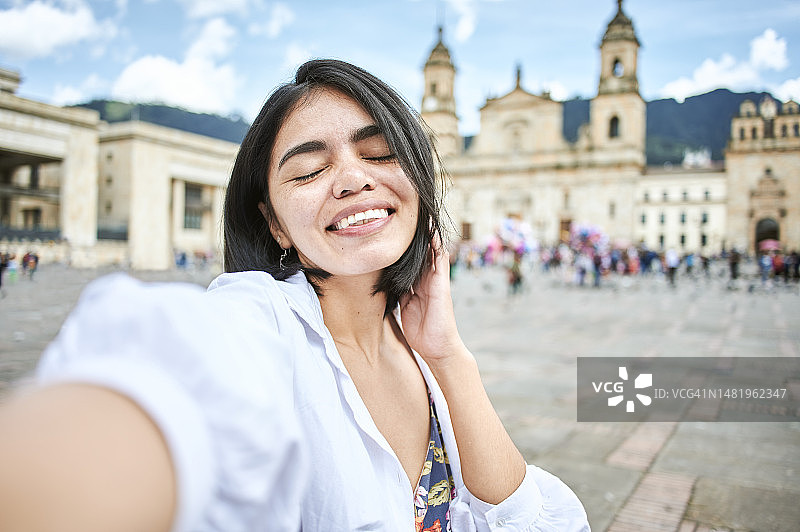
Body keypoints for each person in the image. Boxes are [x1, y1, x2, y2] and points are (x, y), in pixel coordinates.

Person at [0, 59, 588, 531]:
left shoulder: (421, 351)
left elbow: (524, 519)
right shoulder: (254, 322)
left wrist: (449, 357)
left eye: (379, 153)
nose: (354, 178)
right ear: (275, 223)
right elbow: (165, 388)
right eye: (308, 172)